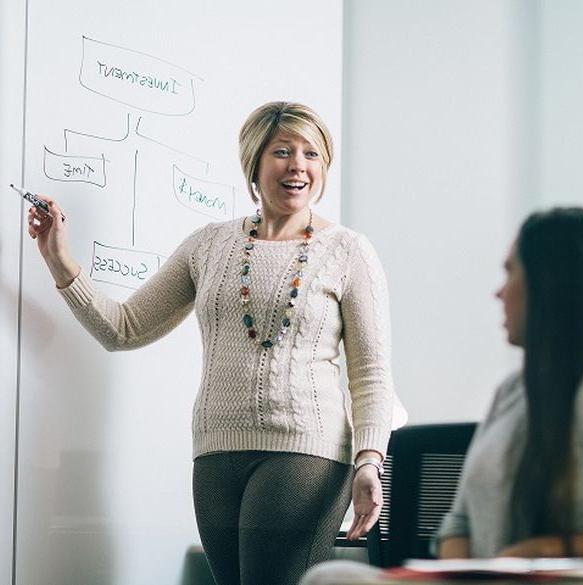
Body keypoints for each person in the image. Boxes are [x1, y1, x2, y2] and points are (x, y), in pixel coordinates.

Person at [26, 101, 395, 585]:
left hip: (305, 455)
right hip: (216, 455)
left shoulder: (348, 251)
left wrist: (369, 460)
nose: (298, 165)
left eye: (312, 154)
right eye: (282, 151)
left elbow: (370, 374)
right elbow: (125, 328)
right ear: (254, 163)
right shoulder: (209, 244)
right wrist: (59, 260)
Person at [300, 206, 583, 584]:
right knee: (331, 577)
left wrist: (545, 550)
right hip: (486, 578)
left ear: (550, 285)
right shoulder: (513, 391)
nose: (499, 292)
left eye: (511, 272)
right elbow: (457, 526)